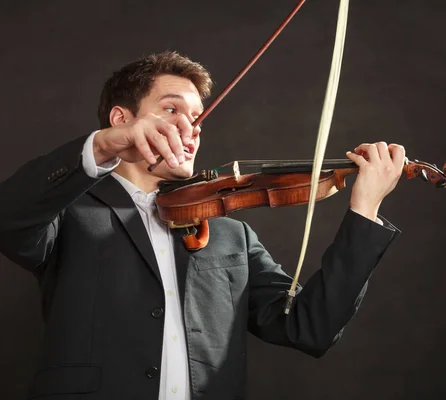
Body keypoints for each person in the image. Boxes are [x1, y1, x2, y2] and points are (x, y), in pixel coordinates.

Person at [0, 51, 404, 400]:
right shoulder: (66, 210)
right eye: (172, 110)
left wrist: (364, 209)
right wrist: (103, 143)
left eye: (197, 117)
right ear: (121, 119)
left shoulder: (230, 234)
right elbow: (9, 217)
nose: (190, 129)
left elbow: (309, 327)